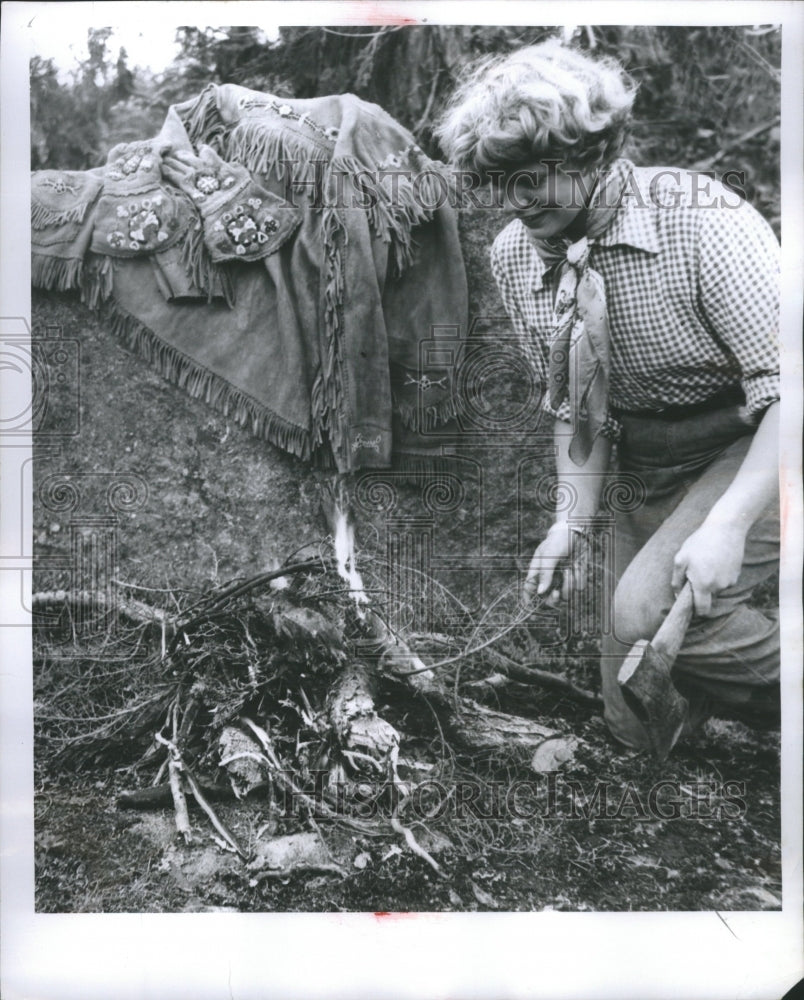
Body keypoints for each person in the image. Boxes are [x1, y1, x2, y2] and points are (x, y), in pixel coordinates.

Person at [436, 40, 781, 751]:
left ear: (591, 153)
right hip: (646, 460)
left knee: (645, 616)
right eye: (496, 183)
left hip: (761, 442)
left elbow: (793, 389)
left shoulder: (701, 218)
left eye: (531, 177)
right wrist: (573, 522)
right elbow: (573, 404)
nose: (512, 202)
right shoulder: (515, 252)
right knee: (636, 724)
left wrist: (727, 524)